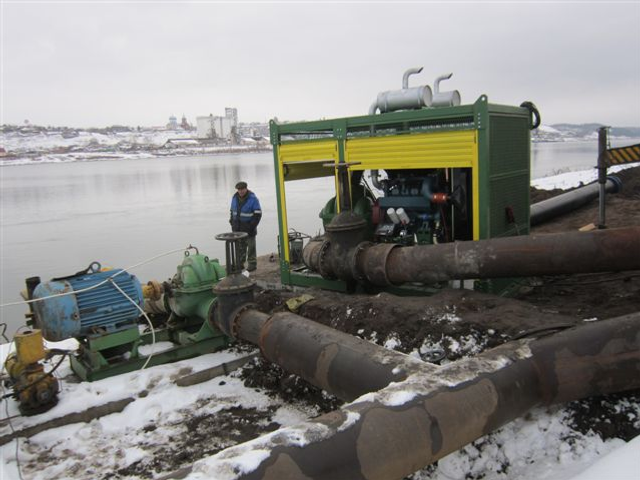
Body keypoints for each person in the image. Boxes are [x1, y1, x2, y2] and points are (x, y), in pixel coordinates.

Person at [229, 181, 262, 272]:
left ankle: (252, 264)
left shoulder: (253, 199)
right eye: (239, 189)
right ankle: (239, 264)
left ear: (246, 188)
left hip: (249, 229)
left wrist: (251, 226)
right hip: (237, 229)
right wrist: (232, 222)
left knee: (251, 247)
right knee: (240, 248)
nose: (241, 191)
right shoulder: (234, 198)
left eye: (242, 189)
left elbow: (258, 214)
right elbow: (232, 211)